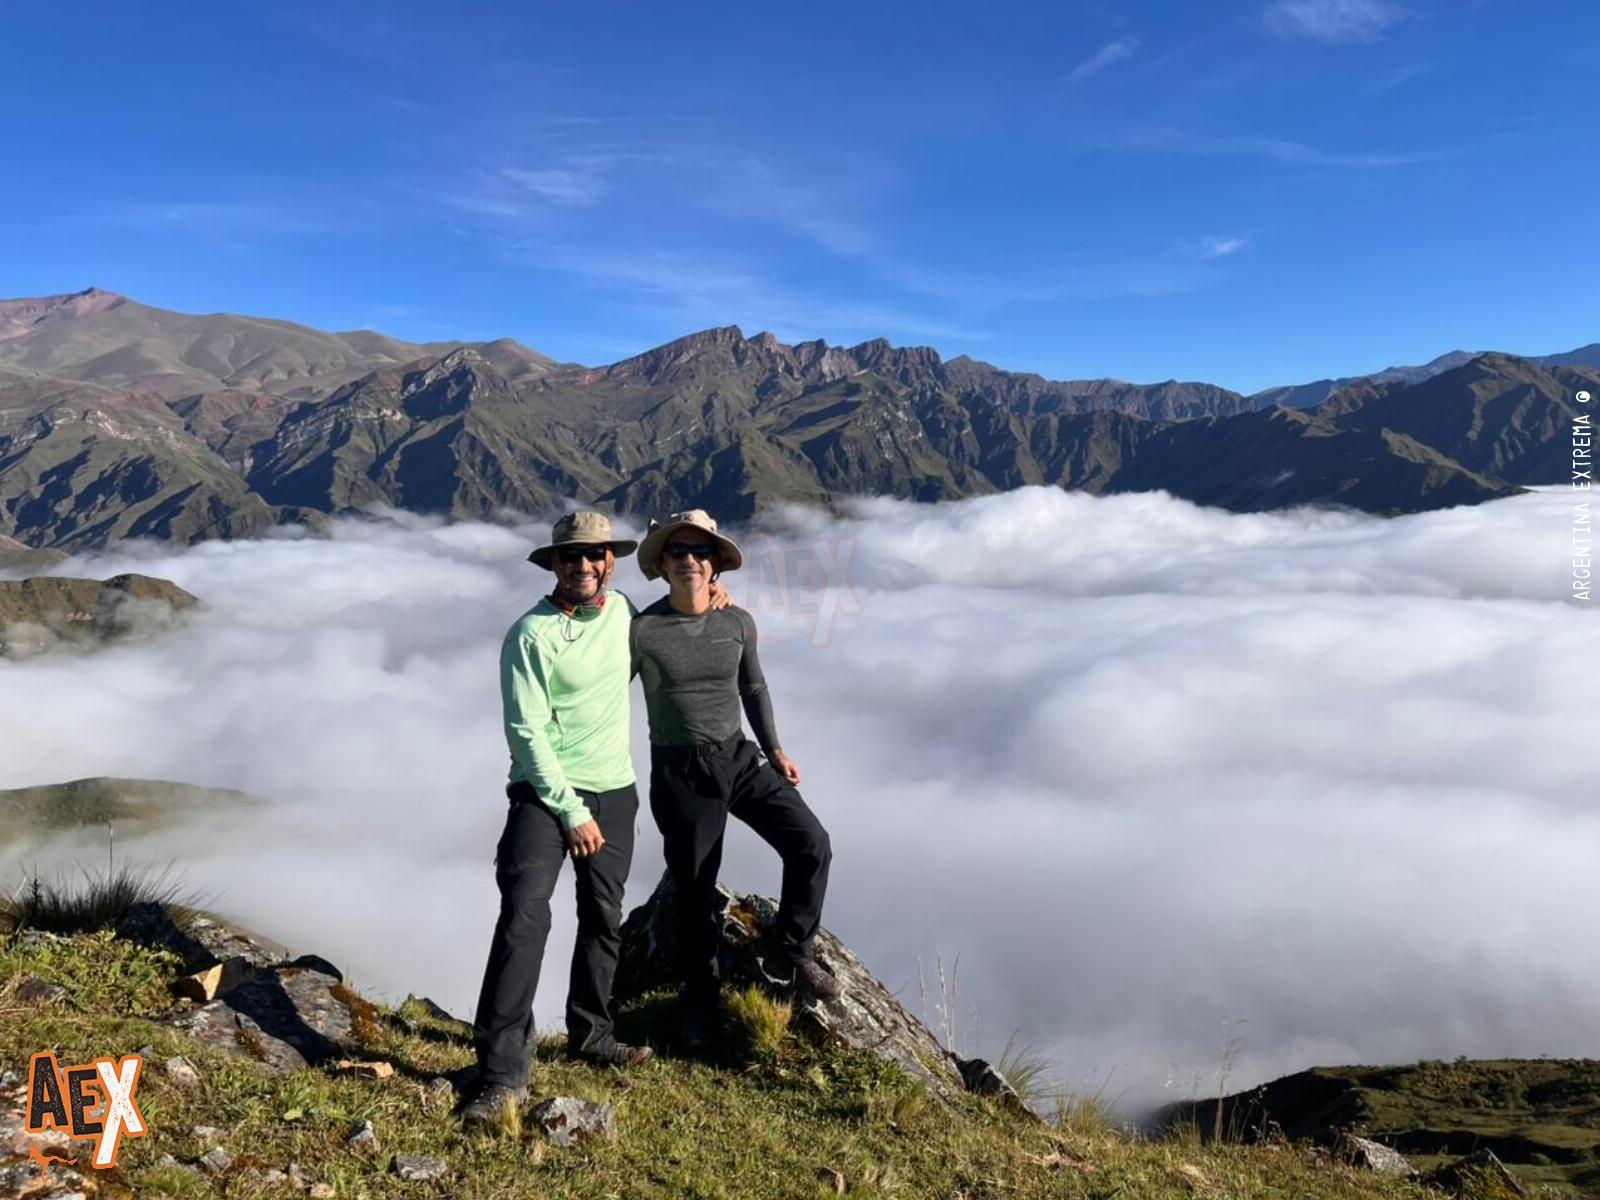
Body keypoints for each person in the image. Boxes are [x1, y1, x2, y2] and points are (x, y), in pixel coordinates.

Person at [463, 511, 654, 1128]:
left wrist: (714, 598)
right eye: (572, 556)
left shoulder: (622, 612)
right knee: (525, 916)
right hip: (545, 798)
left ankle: (593, 1034)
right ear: (554, 564)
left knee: (603, 916)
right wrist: (570, 811)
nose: (584, 565)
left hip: (615, 792)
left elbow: (664, 637)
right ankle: (500, 1072)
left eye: (595, 555)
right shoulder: (530, 634)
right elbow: (526, 733)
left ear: (610, 562)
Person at [632, 509, 841, 1051]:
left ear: (716, 565)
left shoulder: (738, 622)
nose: (690, 560)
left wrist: (774, 749)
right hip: (680, 770)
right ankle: (699, 1002)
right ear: (662, 564)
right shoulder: (642, 630)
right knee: (694, 890)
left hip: (739, 758)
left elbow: (754, 687)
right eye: (678, 551)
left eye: (701, 551)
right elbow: (604, 690)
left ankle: (791, 953)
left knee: (811, 844)